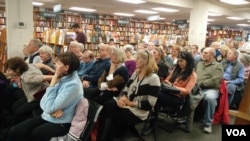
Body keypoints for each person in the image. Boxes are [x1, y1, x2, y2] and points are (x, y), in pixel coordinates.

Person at [6, 52, 83, 141]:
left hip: (61, 122)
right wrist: (51, 109)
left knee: (30, 133)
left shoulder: (72, 85)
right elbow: (43, 101)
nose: (55, 66)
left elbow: (49, 105)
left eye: (58, 64)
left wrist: (52, 84)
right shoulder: (64, 77)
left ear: (66, 68)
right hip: (49, 115)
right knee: (15, 131)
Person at [96, 50, 160, 141]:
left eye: (138, 59)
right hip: (126, 103)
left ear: (146, 61)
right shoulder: (136, 73)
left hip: (139, 110)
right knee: (108, 105)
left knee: (117, 115)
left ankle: (109, 137)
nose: (135, 60)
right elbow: (125, 89)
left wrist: (130, 103)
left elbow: (151, 103)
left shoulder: (154, 78)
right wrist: (123, 98)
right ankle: (102, 137)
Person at [2, 57, 51, 128]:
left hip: (38, 98)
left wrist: (56, 75)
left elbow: (44, 77)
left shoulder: (28, 78)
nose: (7, 72)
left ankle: (14, 128)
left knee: (19, 112)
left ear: (17, 69)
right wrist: (54, 71)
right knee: (15, 105)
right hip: (33, 94)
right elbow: (42, 65)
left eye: (9, 70)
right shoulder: (29, 66)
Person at [195, 47, 224, 133]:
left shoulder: (218, 66)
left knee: (210, 98)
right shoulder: (199, 64)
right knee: (185, 92)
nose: (203, 54)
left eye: (206, 53)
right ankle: (185, 117)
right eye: (203, 53)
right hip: (197, 87)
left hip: (210, 89)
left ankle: (207, 124)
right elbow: (194, 76)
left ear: (212, 55)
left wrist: (199, 83)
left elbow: (214, 81)